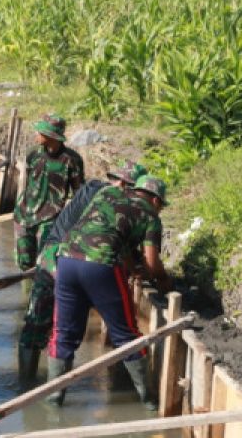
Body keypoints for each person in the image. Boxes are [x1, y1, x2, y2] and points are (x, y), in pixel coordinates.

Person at [48, 175, 172, 409]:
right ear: (155, 200)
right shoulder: (150, 215)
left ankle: (53, 400)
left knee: (63, 334)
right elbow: (152, 262)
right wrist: (163, 279)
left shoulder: (107, 194)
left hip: (66, 261)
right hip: (101, 267)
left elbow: (117, 240)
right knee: (127, 335)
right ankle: (149, 402)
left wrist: (133, 267)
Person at [17, 162, 141, 381]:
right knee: (70, 331)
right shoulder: (111, 199)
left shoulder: (91, 188)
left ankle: (25, 384)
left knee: (37, 322)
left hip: (50, 257)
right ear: (123, 183)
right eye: (133, 191)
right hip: (72, 260)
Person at [13, 114, 84, 270]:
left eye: (40, 133)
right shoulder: (33, 153)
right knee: (24, 262)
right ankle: (27, 292)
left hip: (52, 217)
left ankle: (39, 291)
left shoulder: (71, 160)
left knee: (45, 262)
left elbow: (79, 193)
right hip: (25, 213)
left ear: (51, 136)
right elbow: (27, 181)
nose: (36, 135)